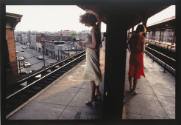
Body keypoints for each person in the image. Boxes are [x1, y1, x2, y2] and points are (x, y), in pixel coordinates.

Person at [78, 11, 102, 106]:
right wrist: (85, 43)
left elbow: (94, 45)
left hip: (91, 54)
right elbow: (94, 43)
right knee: (94, 74)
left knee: (92, 77)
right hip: (92, 54)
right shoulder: (97, 28)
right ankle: (98, 93)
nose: (84, 24)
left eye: (85, 22)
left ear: (89, 21)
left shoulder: (93, 30)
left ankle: (92, 98)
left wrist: (84, 44)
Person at [128, 24, 146, 95]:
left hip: (132, 56)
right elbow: (143, 50)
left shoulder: (133, 36)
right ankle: (133, 89)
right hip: (138, 57)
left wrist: (131, 50)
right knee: (136, 73)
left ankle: (130, 87)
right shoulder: (142, 38)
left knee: (131, 72)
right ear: (142, 30)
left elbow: (128, 44)